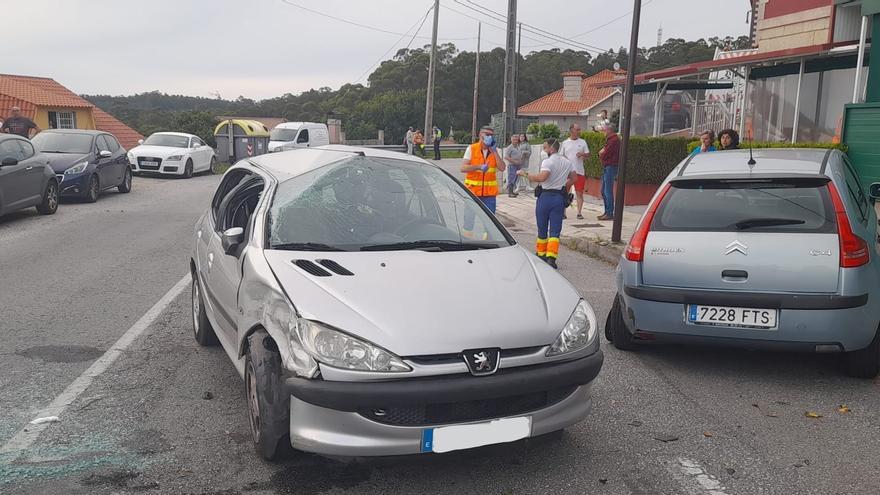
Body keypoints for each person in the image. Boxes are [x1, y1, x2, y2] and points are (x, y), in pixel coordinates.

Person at [517, 138, 576, 269]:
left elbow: (542, 178)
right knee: (555, 230)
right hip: (558, 199)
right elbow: (574, 178)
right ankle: (551, 258)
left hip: (545, 197)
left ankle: (541, 254)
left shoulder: (547, 162)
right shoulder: (567, 162)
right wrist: (563, 186)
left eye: (545, 147)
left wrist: (525, 174)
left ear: (551, 148)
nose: (544, 150)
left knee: (542, 227)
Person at [461, 126, 506, 213]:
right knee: (469, 219)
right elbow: (463, 168)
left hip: (489, 194)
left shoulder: (495, 150)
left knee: (490, 220)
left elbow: (502, 167)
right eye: (487, 134)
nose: (490, 137)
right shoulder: (471, 148)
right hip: (473, 191)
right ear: (480, 135)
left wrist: (495, 152)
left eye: (491, 135)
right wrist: (478, 167)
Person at [560, 123, 590, 219]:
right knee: (565, 192)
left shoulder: (583, 142)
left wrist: (583, 154)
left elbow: (588, 154)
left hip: (579, 171)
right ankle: (563, 213)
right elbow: (561, 156)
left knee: (579, 193)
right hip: (567, 172)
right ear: (571, 130)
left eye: (579, 129)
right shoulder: (565, 143)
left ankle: (579, 213)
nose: (579, 131)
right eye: (577, 129)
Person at [597, 124, 621, 221]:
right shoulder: (611, 140)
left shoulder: (613, 140)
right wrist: (602, 153)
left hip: (611, 166)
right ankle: (607, 211)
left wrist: (601, 153)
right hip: (607, 166)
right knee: (604, 191)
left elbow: (605, 154)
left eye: (604, 130)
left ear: (609, 130)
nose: (603, 132)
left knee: (607, 191)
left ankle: (610, 213)